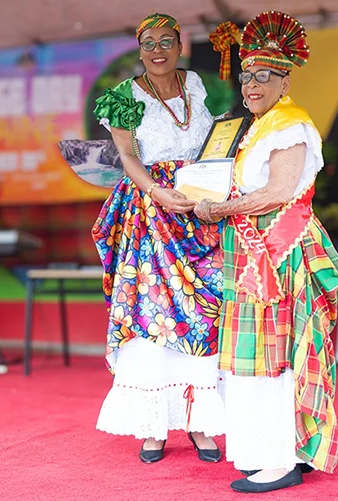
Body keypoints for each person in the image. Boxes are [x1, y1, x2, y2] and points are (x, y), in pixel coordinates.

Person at [196, 12, 338, 493]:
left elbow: (279, 192)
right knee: (257, 352)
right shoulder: (261, 125)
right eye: (246, 76)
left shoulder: (289, 125)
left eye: (264, 75)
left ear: (285, 79)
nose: (251, 85)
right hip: (252, 251)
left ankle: (280, 460)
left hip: (276, 251)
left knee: (272, 354)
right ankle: (271, 451)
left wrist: (219, 210)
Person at [91, 12, 224, 464]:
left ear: (181, 44)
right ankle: (152, 427)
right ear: (139, 47)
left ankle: (201, 424)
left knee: (206, 315)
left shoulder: (200, 86)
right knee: (151, 316)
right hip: (152, 210)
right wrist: (156, 191)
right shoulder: (123, 97)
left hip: (200, 207)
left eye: (167, 40)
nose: (158, 49)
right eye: (149, 42)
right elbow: (126, 156)